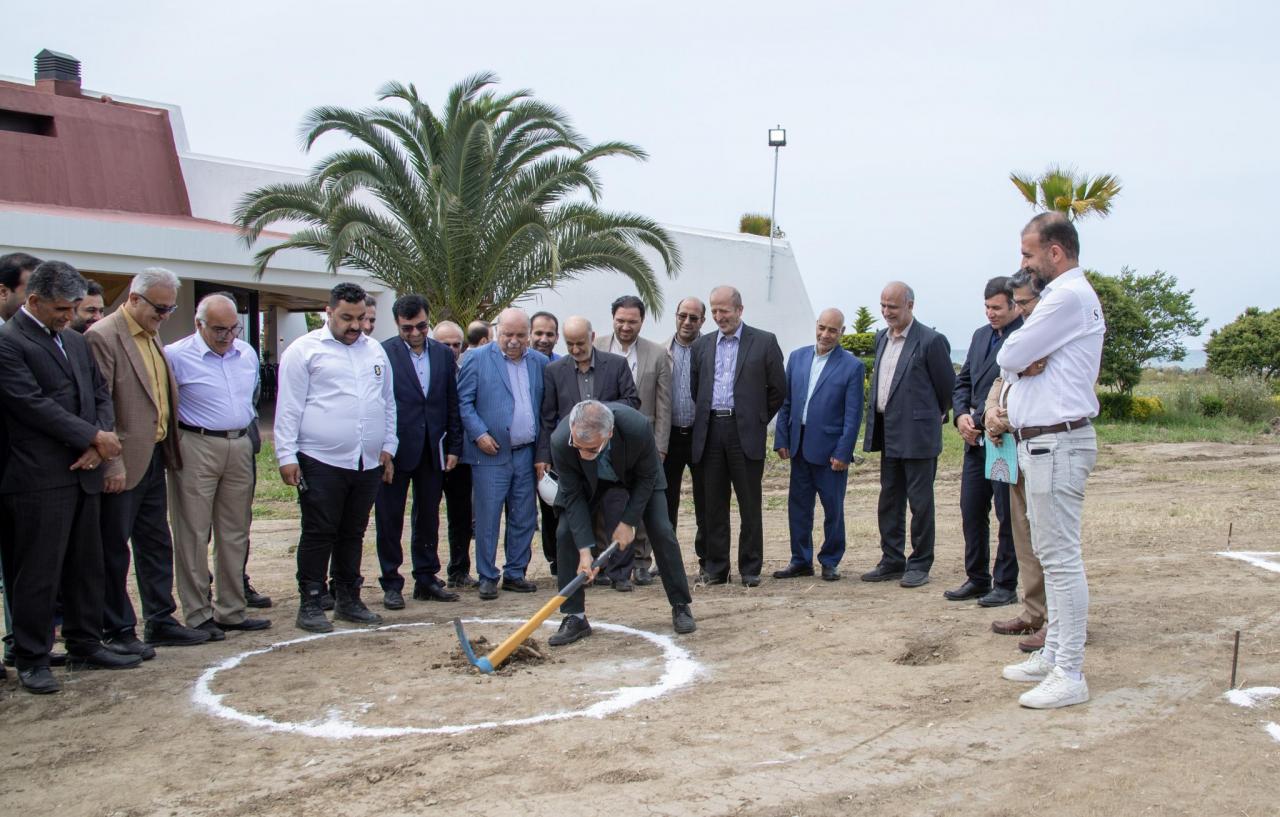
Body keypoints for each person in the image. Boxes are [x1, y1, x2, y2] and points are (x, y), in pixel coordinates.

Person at [0, 261, 140, 693]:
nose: (68, 316)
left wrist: (99, 443)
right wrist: (93, 436)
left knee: (86, 564)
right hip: (38, 476)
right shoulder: (9, 342)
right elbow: (30, 404)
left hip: (85, 471)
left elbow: (99, 393)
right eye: (61, 309)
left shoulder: (75, 342)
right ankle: (32, 656)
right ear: (34, 300)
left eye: (71, 308)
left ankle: (85, 641)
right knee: (38, 571)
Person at [997, 213, 1104, 710]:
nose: (1023, 262)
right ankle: (1056, 653)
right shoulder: (1067, 296)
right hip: (1046, 444)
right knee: (1050, 554)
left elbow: (1009, 354)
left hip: (1058, 443)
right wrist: (1021, 364)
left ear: (1054, 252)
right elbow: (1016, 360)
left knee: (1060, 560)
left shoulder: (1065, 296)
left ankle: (1069, 671)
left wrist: (1019, 361)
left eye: (1028, 253)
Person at [88, 267, 210, 653]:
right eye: (160, 308)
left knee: (155, 541)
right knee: (114, 548)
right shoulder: (103, 336)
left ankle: (160, 619)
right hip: (122, 462)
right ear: (134, 299)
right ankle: (117, 628)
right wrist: (112, 464)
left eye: (170, 309)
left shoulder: (151, 333)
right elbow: (100, 406)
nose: (165, 316)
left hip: (155, 456)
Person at [275, 283, 397, 632]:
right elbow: (288, 407)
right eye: (347, 318)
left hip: (366, 460)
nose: (355, 325)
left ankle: (348, 597)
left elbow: (387, 402)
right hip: (320, 459)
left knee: (353, 531)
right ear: (328, 313)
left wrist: (389, 445)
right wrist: (286, 454)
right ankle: (311, 601)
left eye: (361, 318)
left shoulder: (374, 351)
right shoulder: (304, 351)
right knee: (319, 531)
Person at [164, 293, 271, 639]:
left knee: (235, 530)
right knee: (193, 531)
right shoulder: (176, 355)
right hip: (196, 443)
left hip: (239, 444)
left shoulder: (247, 353)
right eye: (218, 329)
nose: (227, 336)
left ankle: (232, 610)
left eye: (233, 328)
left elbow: (251, 397)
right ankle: (198, 614)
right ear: (199, 325)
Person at [546, 400, 696, 645]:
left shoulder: (637, 427)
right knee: (565, 533)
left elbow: (648, 477)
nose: (583, 454)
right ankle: (575, 616)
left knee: (662, 529)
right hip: (588, 483)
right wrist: (585, 551)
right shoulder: (561, 440)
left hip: (639, 476)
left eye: (591, 449)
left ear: (610, 433)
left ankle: (680, 604)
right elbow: (572, 497)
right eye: (578, 447)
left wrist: (628, 522)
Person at [861, 282, 955, 589]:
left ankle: (920, 563)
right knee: (889, 499)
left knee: (920, 503)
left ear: (910, 306)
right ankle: (891, 560)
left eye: (893, 306)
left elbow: (947, 390)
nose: (886, 312)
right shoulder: (881, 338)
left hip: (918, 436)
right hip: (888, 432)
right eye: (883, 306)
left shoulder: (931, 341)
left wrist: (929, 416)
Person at [690, 286, 785, 586]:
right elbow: (696, 389)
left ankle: (750, 568)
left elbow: (778, 389)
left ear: (740, 310)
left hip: (745, 432)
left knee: (749, 504)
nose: (719, 317)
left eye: (725, 311)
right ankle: (717, 568)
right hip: (711, 431)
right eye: (714, 311)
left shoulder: (764, 342)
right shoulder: (701, 346)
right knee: (713, 505)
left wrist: (757, 418)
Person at [373, 294, 462, 609]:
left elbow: (451, 402)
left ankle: (426, 578)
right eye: (407, 328)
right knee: (389, 518)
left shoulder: (442, 354)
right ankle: (391, 582)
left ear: (429, 321)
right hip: (395, 450)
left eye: (421, 326)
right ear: (397, 324)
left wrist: (453, 446)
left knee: (428, 516)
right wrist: (382, 450)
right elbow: (377, 404)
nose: (415, 333)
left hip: (432, 449)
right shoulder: (383, 353)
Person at [457, 307, 548, 600]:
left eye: (521, 335)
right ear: (497, 331)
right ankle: (487, 576)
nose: (514, 341)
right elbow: (463, 402)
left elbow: (544, 407)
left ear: (529, 335)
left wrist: (542, 452)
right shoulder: (476, 358)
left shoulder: (539, 362)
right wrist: (479, 434)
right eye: (508, 334)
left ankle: (515, 573)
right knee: (488, 517)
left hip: (526, 453)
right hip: (490, 453)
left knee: (524, 515)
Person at [538, 317, 639, 578]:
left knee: (617, 510)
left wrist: (597, 414)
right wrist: (543, 455)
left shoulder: (616, 364)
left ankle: (620, 574)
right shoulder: (554, 370)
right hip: (574, 455)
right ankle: (581, 570)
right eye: (569, 344)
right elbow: (548, 416)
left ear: (592, 337)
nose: (575, 349)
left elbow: (632, 401)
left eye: (580, 343)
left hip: (611, 453)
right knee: (575, 515)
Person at [944, 276, 1024, 606]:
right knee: (972, 510)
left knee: (1008, 516)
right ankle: (977, 578)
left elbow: (1017, 389)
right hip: (974, 443)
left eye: (997, 308)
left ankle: (1005, 584)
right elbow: (962, 381)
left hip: (1004, 440)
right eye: (987, 307)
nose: (991, 313)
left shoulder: (1025, 336)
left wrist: (979, 420)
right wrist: (961, 415)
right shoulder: (979, 336)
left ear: (1014, 306)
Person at [773, 308, 865, 582]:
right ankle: (800, 561)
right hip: (799, 446)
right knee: (798, 508)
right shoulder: (797, 357)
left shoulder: (852, 366)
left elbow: (853, 415)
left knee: (833, 509)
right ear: (816, 325)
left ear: (842, 332)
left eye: (832, 330)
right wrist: (782, 438)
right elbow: (786, 402)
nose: (825, 334)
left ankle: (830, 560)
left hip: (830, 453)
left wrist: (843, 452)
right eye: (822, 327)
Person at [985, 271, 1048, 652]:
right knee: (1023, 535)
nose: (1021, 310)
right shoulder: (1022, 337)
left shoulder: (1050, 335)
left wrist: (1002, 419)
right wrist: (991, 413)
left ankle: (1058, 622)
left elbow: (1043, 391)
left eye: (1024, 303)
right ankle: (1033, 611)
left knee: (1048, 540)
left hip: (1042, 446)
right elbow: (1002, 380)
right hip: (1014, 450)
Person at [595, 295, 672, 587]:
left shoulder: (657, 353)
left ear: (642, 321)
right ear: (613, 319)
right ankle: (605, 562)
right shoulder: (596, 347)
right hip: (602, 444)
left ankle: (641, 562)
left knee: (640, 503)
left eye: (632, 321)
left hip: (642, 443)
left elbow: (664, 404)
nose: (626, 327)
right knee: (605, 504)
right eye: (621, 321)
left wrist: (660, 446)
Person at [0, 251, 41, 672]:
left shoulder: (34, 338)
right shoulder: (9, 341)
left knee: (20, 564)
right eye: (31, 290)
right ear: (4, 290)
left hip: (22, 472)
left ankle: (22, 645)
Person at [662, 297, 707, 572]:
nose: (687, 322)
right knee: (666, 503)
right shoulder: (661, 351)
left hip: (701, 437)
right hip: (668, 438)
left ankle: (707, 560)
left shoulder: (710, 349)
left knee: (706, 500)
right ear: (676, 316)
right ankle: (667, 562)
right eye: (682, 316)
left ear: (703, 320)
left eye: (694, 317)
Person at [432, 320, 477, 588]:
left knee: (461, 516)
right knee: (427, 515)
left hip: (462, 454)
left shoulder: (468, 370)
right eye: (444, 344)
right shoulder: (427, 370)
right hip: (431, 453)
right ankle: (427, 573)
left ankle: (459, 570)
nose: (451, 349)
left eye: (456, 344)